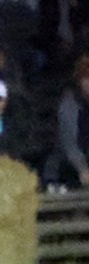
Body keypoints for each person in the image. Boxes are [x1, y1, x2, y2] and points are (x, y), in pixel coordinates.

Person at [50, 58, 89, 188]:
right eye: (86, 78)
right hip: (69, 165)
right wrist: (82, 169)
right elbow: (69, 144)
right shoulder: (68, 106)